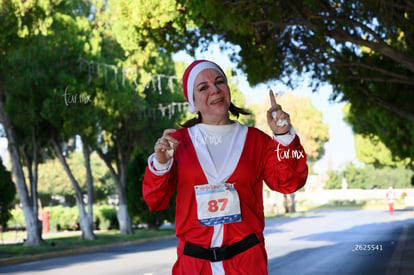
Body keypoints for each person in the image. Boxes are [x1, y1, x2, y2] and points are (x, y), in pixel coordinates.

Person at [142, 59, 308, 275]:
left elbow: (289, 183)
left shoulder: (256, 141)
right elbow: (155, 201)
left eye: (220, 82)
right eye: (203, 87)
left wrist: (283, 136)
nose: (215, 90)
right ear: (192, 102)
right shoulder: (176, 143)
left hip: (247, 263)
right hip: (194, 266)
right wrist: (161, 164)